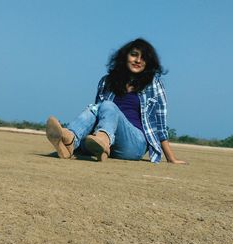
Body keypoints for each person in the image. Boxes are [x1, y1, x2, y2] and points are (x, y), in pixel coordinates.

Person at [46, 38, 186, 164]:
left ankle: (91, 139)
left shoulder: (154, 84)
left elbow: (160, 125)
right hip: (102, 142)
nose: (138, 60)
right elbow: (97, 116)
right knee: (95, 109)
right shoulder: (107, 81)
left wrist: (170, 157)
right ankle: (70, 140)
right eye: (134, 55)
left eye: (143, 58)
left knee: (106, 105)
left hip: (134, 144)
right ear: (125, 57)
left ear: (149, 63)